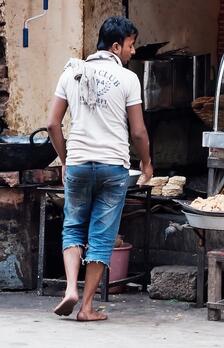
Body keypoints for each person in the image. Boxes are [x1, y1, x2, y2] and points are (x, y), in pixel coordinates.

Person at [47, 16, 153, 321]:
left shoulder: (71, 72)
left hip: (79, 164)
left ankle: (70, 288)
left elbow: (53, 123)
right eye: (131, 46)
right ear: (116, 46)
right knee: (102, 236)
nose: (133, 52)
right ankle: (88, 307)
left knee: (73, 226)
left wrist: (66, 158)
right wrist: (146, 163)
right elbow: (138, 132)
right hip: (113, 168)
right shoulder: (128, 79)